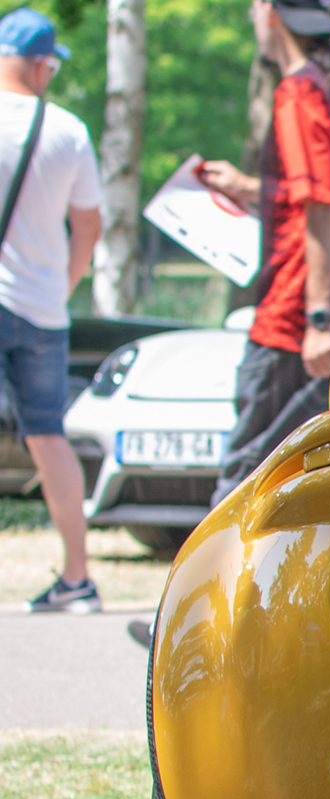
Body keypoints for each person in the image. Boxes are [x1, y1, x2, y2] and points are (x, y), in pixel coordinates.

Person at [199, 0, 330, 504]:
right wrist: (251, 187)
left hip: (293, 320)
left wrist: (319, 318)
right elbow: (325, 194)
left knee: (244, 483)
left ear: (268, 11)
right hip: (322, 315)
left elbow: (325, 207)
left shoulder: (299, 92)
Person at [0, 9, 102, 611]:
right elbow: (87, 226)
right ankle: (77, 577)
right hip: (42, 307)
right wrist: (60, 286)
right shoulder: (66, 130)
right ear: (41, 64)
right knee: (48, 436)